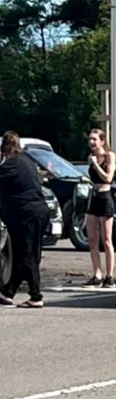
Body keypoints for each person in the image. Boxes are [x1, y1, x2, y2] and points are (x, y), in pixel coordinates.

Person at [0, 131, 50, 308]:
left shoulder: (9, 166)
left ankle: (36, 295)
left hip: (25, 214)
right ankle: (8, 293)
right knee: (27, 254)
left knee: (26, 254)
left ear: (4, 149)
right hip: (40, 211)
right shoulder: (27, 161)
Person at [84, 128, 116, 287]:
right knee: (92, 239)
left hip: (105, 197)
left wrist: (96, 165)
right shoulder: (91, 157)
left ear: (102, 141)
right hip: (94, 197)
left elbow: (108, 178)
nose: (91, 142)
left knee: (106, 240)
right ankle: (97, 273)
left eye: (94, 139)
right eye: (90, 139)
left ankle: (109, 276)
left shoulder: (109, 156)